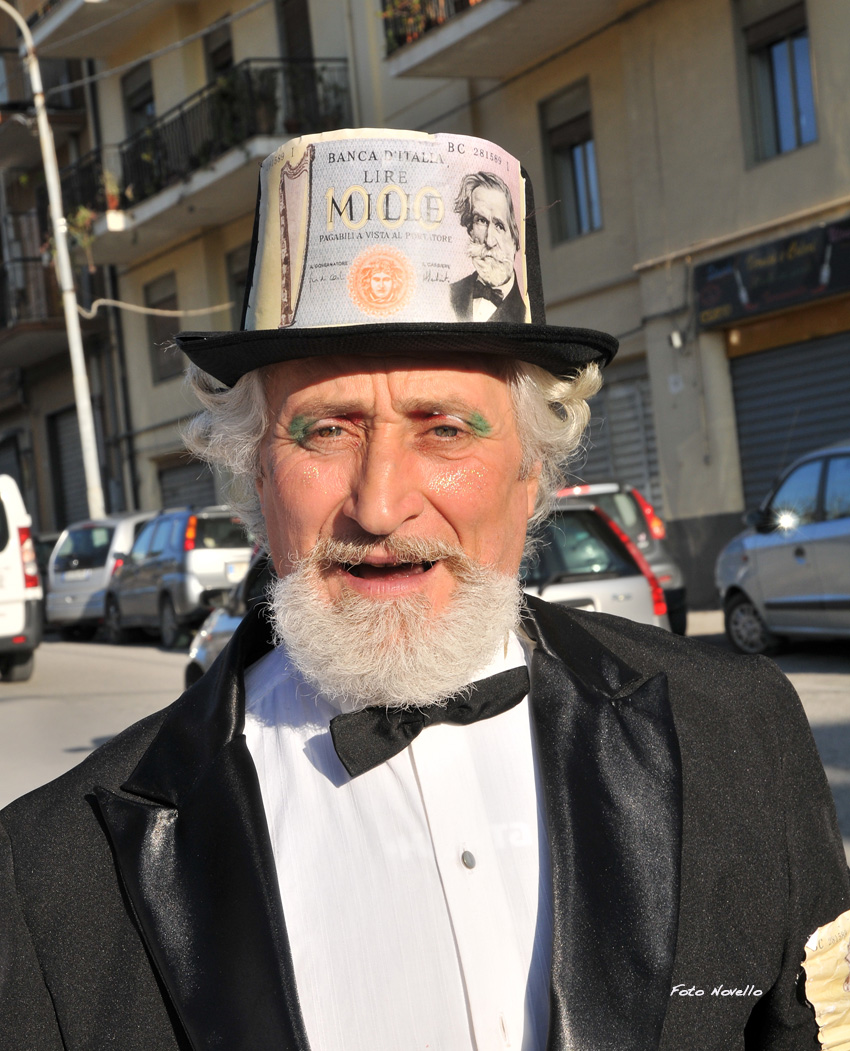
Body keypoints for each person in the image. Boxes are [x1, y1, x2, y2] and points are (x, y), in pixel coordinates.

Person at [1, 128, 848, 1051]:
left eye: (443, 429)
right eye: (326, 430)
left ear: (531, 474)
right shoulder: (54, 872)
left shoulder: (740, 730)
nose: (378, 502)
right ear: (254, 478)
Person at [450, 170, 528, 323]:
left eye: (499, 226)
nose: (489, 241)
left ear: (515, 239)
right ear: (470, 228)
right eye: (481, 221)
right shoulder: (450, 294)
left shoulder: (526, 314)